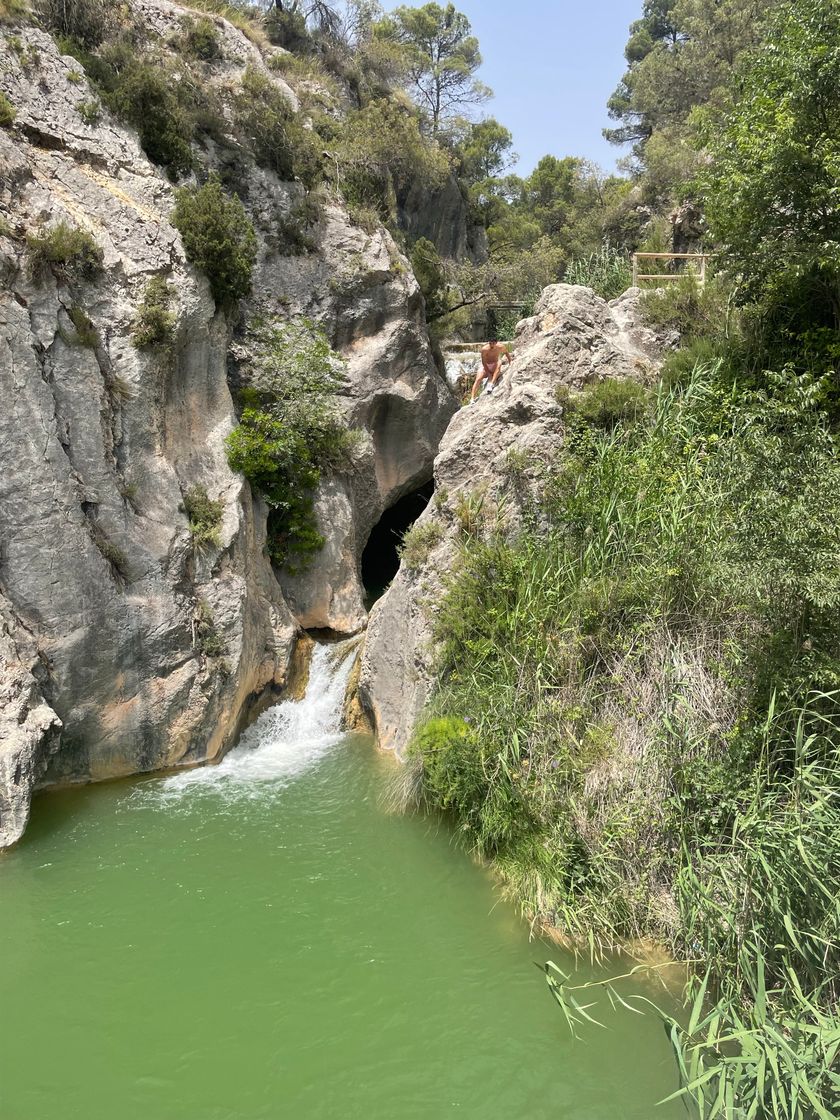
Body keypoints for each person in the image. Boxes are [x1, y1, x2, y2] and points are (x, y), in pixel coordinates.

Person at [469, 338, 512, 403]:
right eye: (490, 343)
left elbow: (506, 353)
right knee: (478, 379)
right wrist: (488, 373)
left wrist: (510, 362)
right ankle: (472, 398)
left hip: (495, 364)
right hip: (486, 365)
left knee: (499, 362)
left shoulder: (500, 347)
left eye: (493, 343)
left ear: (496, 343)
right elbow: (483, 362)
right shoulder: (484, 349)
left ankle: (491, 384)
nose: (491, 345)